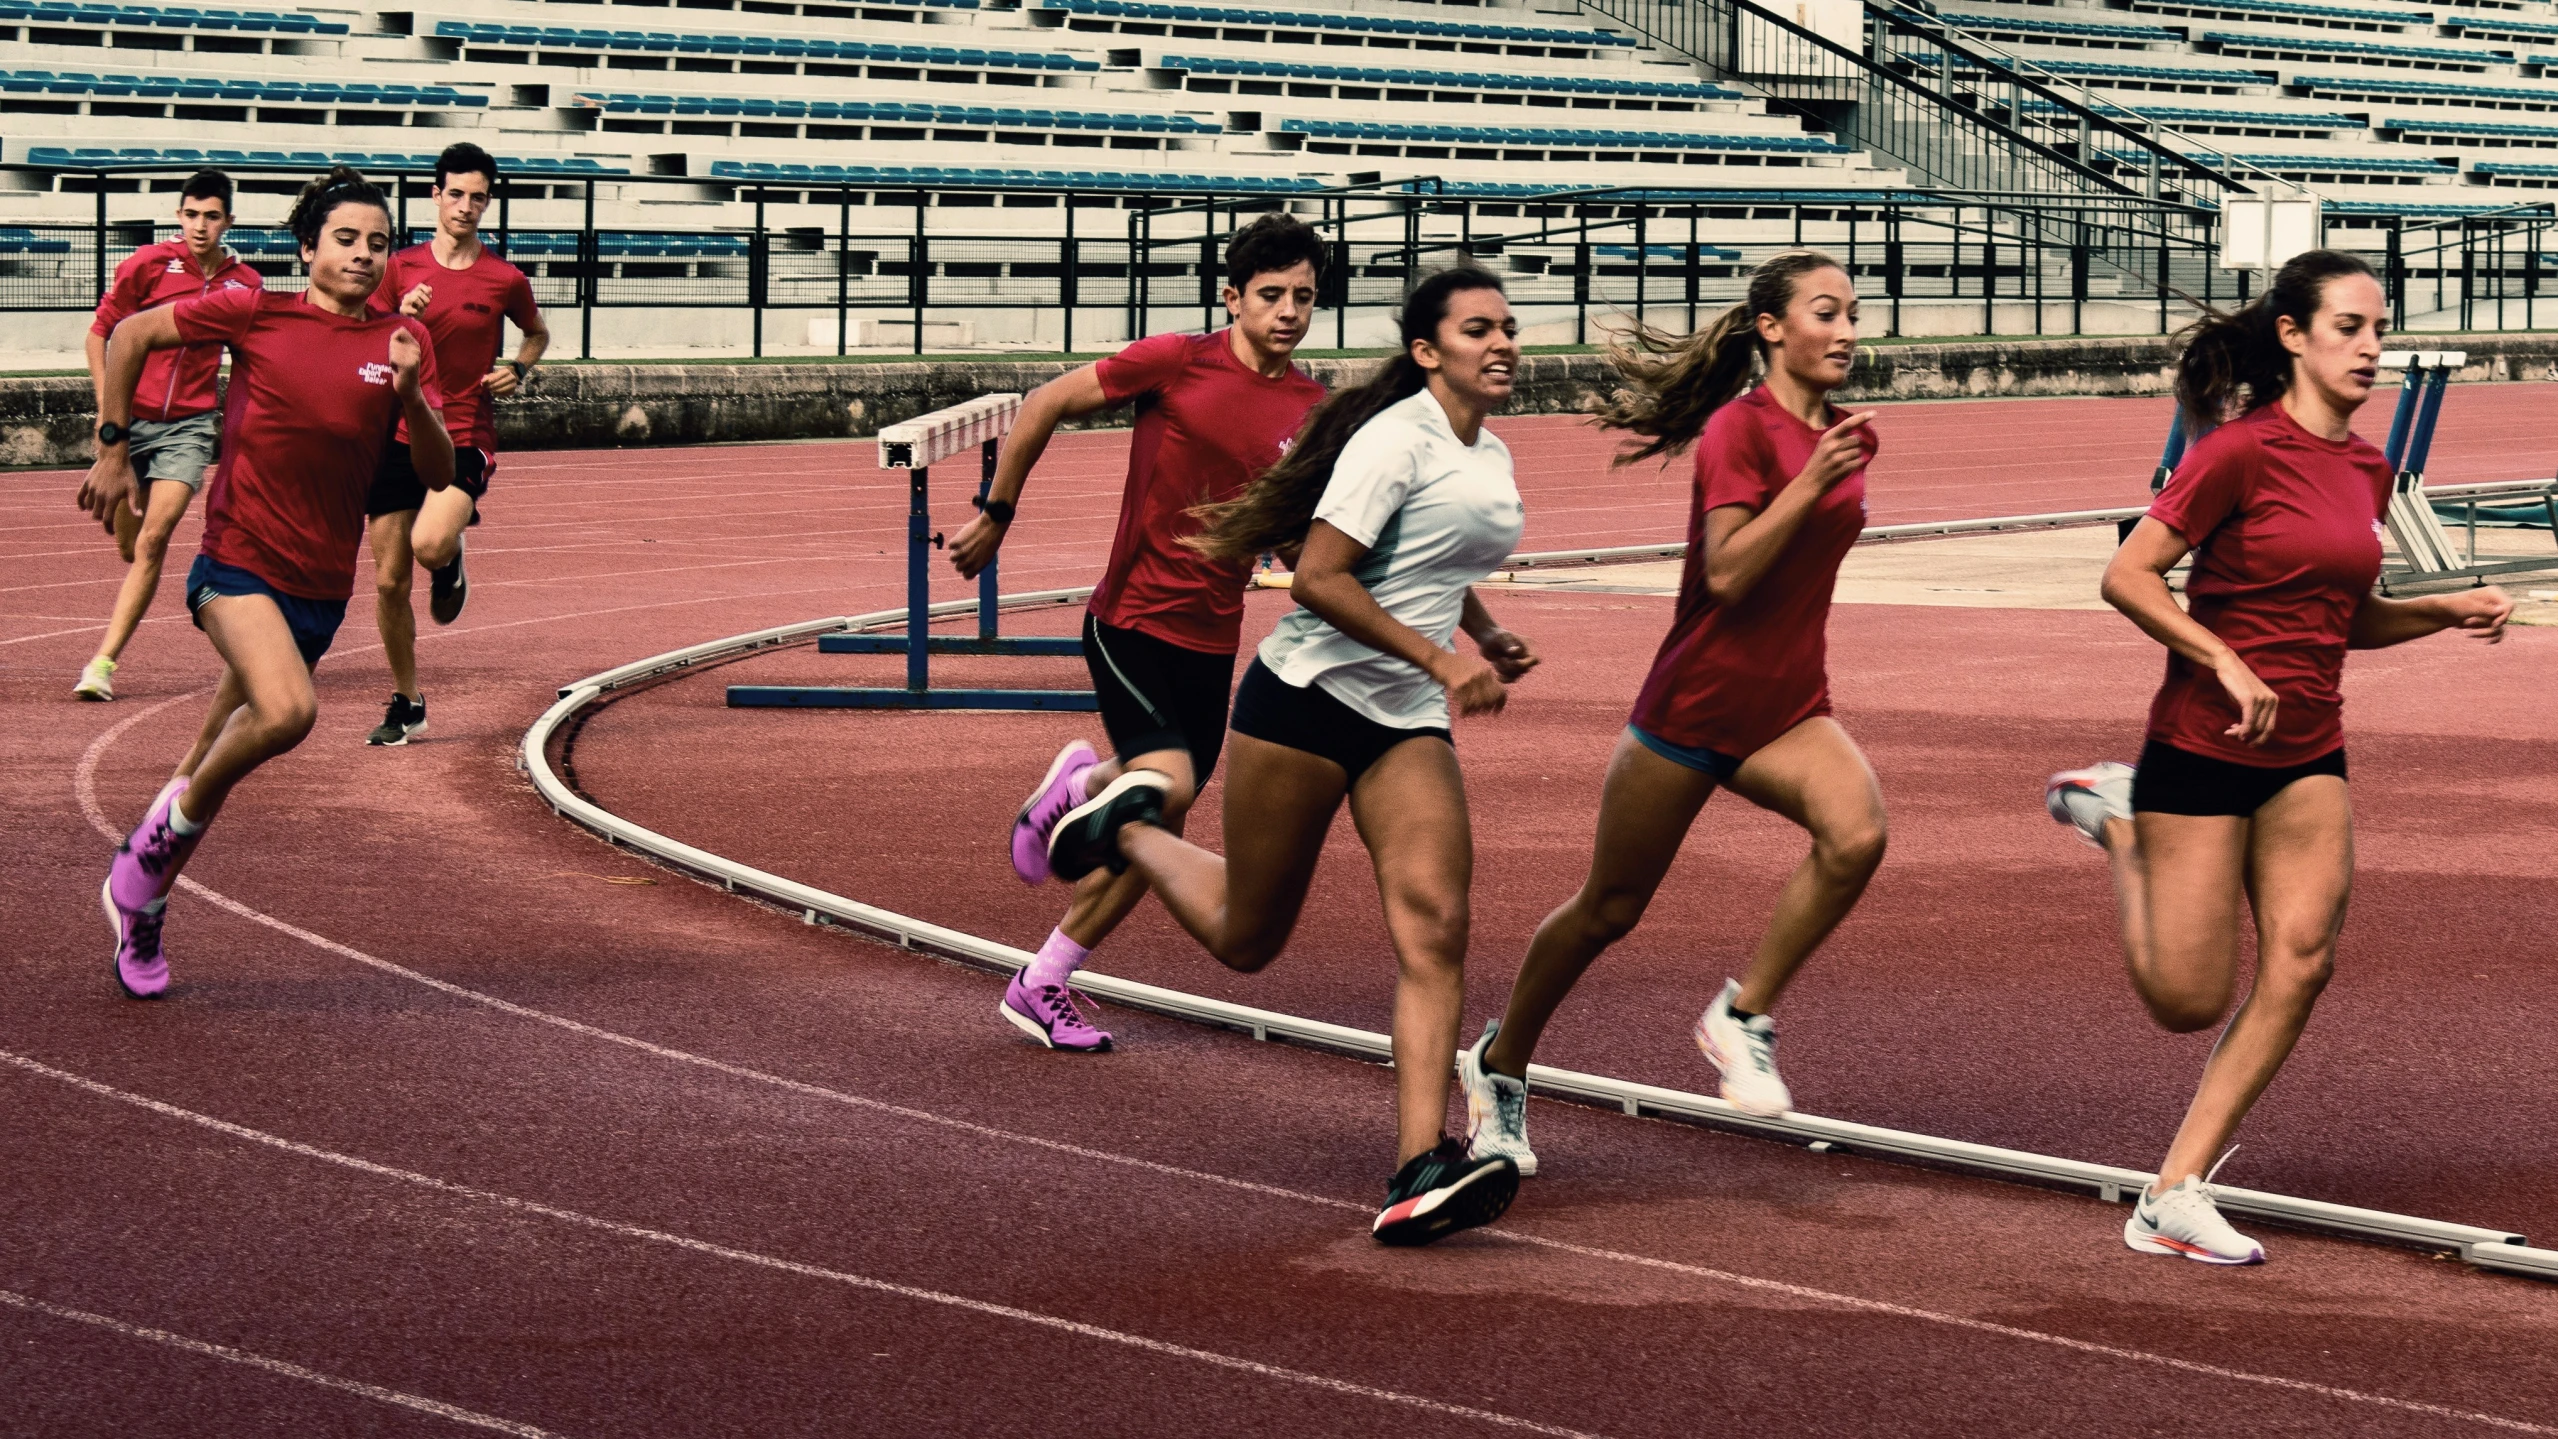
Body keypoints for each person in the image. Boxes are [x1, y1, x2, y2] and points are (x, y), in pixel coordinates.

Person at [1042, 268, 1538, 1246]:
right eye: (1477, 328)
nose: (1503, 342)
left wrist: (1479, 631)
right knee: (1246, 937)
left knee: (1436, 927)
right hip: (1304, 700)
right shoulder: (1389, 441)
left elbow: (1430, 562)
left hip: (1401, 718)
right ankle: (1125, 823)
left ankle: (1415, 1165)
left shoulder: (1491, 453)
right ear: (1428, 352)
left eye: (1509, 326)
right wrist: (1442, 656)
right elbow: (1316, 575)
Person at [2044, 249, 2512, 1265]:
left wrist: (2442, 608)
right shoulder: (2235, 452)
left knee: (2300, 960)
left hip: (2307, 749)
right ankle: (2118, 818)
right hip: (2198, 744)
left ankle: (2172, 1188)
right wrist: (2221, 662)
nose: (2371, 348)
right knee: (2184, 998)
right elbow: (2126, 576)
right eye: (2349, 327)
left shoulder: (2366, 467)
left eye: (2378, 330)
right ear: (2292, 336)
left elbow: (2338, 615)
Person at [1457, 252, 1885, 1180]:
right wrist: (1808, 483)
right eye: (1827, 311)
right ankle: (1499, 1060)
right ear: (1772, 327)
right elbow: (1728, 576)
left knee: (1856, 834)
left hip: (1787, 705)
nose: (1849, 329)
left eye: (1855, 311)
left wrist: (1821, 473)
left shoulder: (1848, 434)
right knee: (1607, 908)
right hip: (1694, 703)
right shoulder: (1742, 429)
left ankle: (1742, 1015)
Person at [955, 212, 1327, 1053]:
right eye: (1271, 295)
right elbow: (1047, 400)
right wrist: (996, 514)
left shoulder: (1312, 408)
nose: (1288, 312)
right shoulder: (1175, 363)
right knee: (1172, 789)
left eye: (1304, 297)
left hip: (1213, 633)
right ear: (1231, 297)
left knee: (1159, 826)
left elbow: (1295, 538)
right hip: (1130, 620)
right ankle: (1084, 795)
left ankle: (1044, 973)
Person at [78, 167, 451, 1000]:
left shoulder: (401, 341)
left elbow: (434, 468)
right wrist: (112, 447)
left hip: (322, 585)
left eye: (379, 244)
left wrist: (412, 394)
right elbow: (132, 335)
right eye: (346, 239)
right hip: (236, 563)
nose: (363, 255)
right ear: (307, 246)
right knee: (287, 713)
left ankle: (144, 903)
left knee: (208, 754)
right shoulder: (256, 310)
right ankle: (147, 853)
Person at [364, 141, 548, 746]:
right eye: (457, 194)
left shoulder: (504, 278)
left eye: (479, 198)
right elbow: (358, 332)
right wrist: (396, 312)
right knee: (389, 582)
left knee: (428, 543)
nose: (467, 206)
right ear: (435, 195)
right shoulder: (399, 268)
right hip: (393, 433)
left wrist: (519, 368)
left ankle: (450, 557)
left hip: (464, 432)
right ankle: (407, 699)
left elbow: (536, 333)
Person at [72, 171, 263, 701]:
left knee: (155, 540)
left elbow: (254, 360)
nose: (200, 226)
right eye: (191, 215)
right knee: (130, 538)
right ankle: (127, 523)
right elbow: (100, 332)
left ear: (228, 221)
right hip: (128, 421)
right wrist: (106, 410)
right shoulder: (149, 265)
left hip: (191, 424)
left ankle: (103, 664)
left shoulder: (244, 284)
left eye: (212, 216)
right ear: (179, 216)